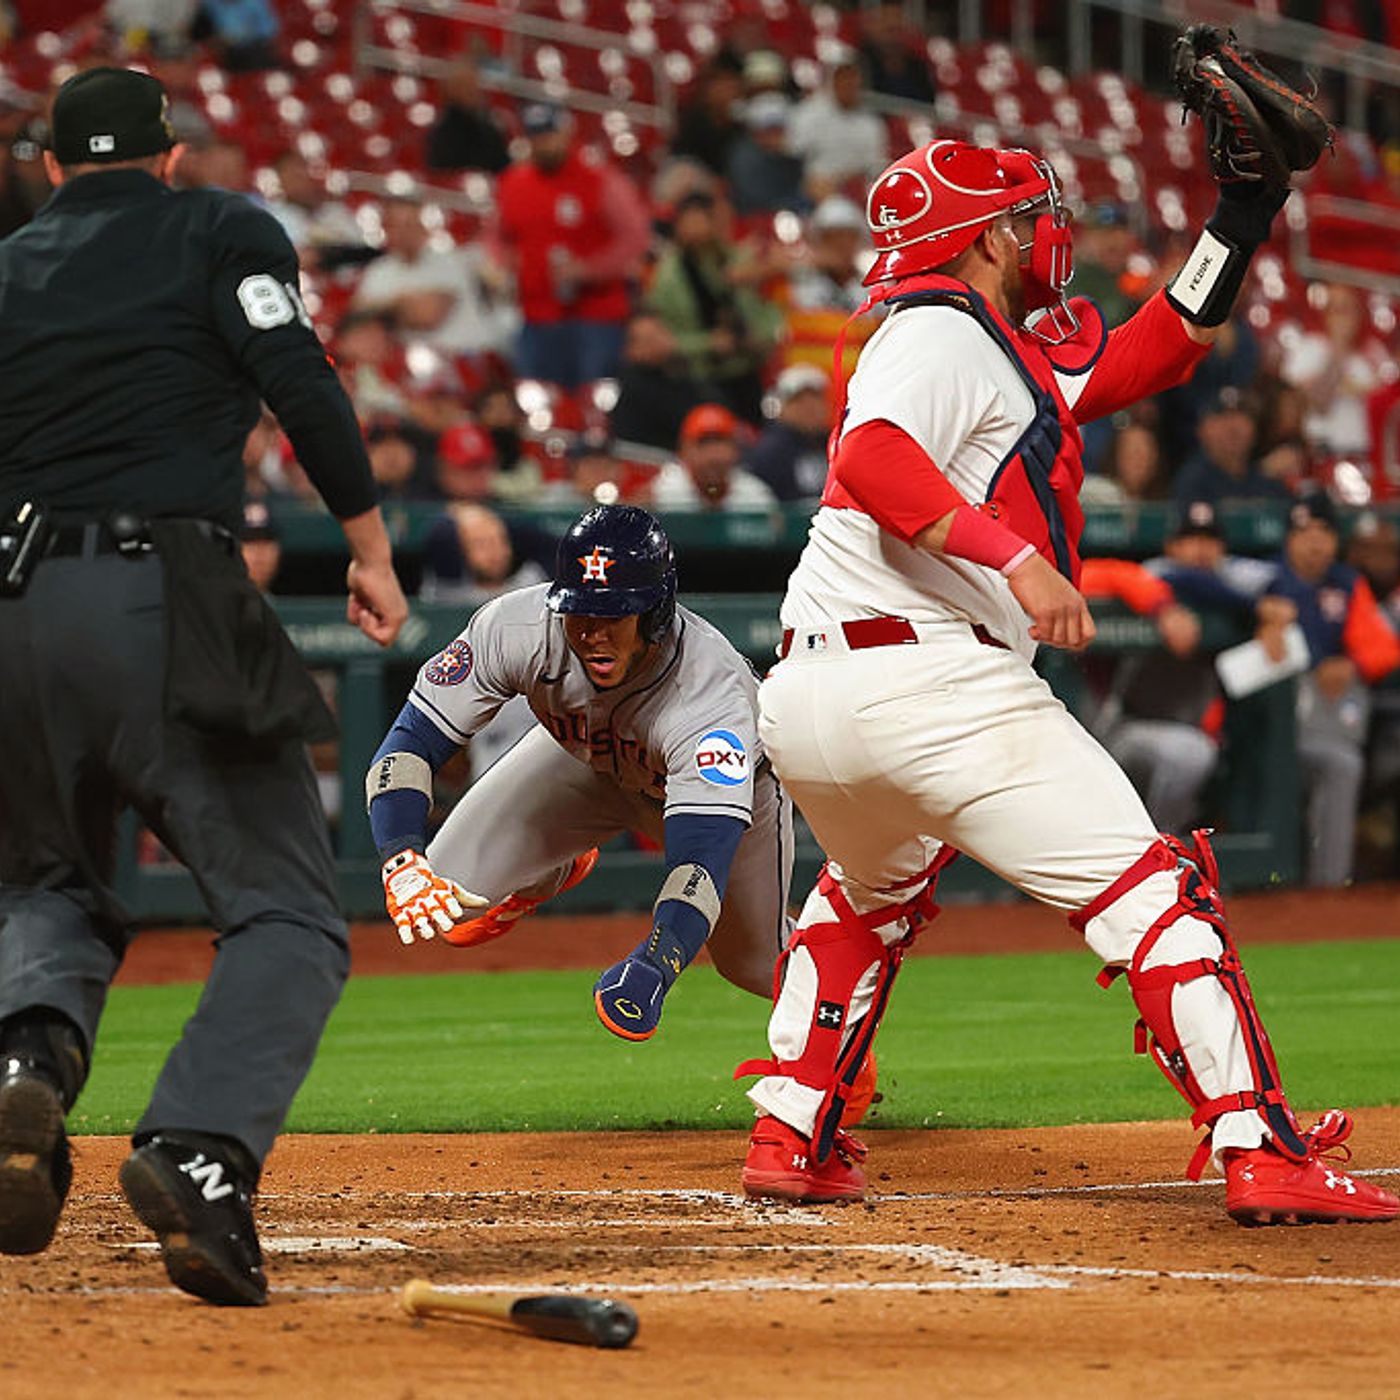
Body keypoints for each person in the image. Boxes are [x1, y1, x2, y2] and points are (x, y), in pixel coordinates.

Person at [733, 135, 1399, 1225]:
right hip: (933, 680)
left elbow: (1156, 350)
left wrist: (1240, 217)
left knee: (866, 893)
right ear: (985, 238)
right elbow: (870, 458)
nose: (1041, 230)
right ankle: (1259, 1143)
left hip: (817, 694)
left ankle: (791, 1128)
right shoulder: (941, 326)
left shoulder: (986, 341)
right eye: (1022, 216)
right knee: (1156, 895)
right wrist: (1017, 559)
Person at [0, 68, 408, 1303]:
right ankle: (200, 1145)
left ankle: (23, 1060)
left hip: (14, 606)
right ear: (169, 155)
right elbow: (300, 379)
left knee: (45, 881)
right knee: (286, 907)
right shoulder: (219, 227)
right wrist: (370, 546)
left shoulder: (9, 264)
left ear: (55, 166)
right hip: (160, 586)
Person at [365, 506, 794, 1045]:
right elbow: (407, 745)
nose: (592, 633)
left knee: (755, 964)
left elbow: (698, 869)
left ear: (655, 613)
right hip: (583, 762)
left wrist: (655, 965)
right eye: (579, 611)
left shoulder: (709, 695)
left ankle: (839, 1034)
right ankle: (553, 866)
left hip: (724, 797)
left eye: (613, 615)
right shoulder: (518, 626)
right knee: (448, 899)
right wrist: (401, 857)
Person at [1262, 494, 1400, 886]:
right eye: (1304, 532)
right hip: (1262, 728)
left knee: (1342, 762)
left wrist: (1351, 664)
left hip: (1317, 727)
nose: (1315, 542)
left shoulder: (1346, 583)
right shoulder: (1265, 578)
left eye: (1323, 531)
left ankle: (1328, 889)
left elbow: (1384, 649)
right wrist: (1260, 613)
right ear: (1289, 539)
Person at [492, 103, 651, 388]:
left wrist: (589, 270)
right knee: (537, 400)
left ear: (566, 133)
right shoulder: (513, 183)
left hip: (595, 316)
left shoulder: (599, 179)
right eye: (537, 136)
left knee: (594, 399)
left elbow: (635, 238)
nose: (544, 143)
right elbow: (495, 237)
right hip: (536, 316)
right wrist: (502, 265)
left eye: (550, 134)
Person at [646, 190, 784, 425]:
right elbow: (663, 342)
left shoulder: (739, 261)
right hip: (698, 377)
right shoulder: (668, 278)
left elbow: (765, 313)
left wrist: (760, 335)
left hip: (748, 369)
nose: (698, 230)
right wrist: (709, 343)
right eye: (691, 222)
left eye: (704, 221)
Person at [1171, 385, 1294, 510]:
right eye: (1221, 417)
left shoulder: (1267, 480)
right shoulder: (1193, 482)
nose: (1233, 427)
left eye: (1241, 416)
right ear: (1201, 430)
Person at [650, 403, 778, 512]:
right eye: (703, 444)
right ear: (683, 451)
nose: (713, 456)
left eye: (720, 443)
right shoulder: (659, 494)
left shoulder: (756, 496)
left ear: (736, 450)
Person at [745, 364, 832, 502]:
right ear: (783, 407)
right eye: (799, 401)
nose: (809, 408)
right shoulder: (769, 452)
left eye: (815, 399)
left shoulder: (835, 444)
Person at [424, 56, 510, 174]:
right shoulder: (442, 134)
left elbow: (503, 167)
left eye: (474, 86)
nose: (473, 92)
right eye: (465, 87)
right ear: (451, 91)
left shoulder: (489, 128)